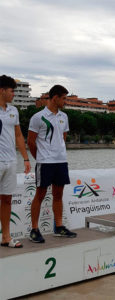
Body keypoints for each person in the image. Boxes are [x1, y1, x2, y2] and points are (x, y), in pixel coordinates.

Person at [27, 85, 76, 243]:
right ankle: (34, 229)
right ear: (55, 98)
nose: (65, 101)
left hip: (61, 161)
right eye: (64, 98)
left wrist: (57, 154)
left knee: (58, 194)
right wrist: (40, 157)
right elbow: (31, 142)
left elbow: (63, 138)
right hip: (45, 163)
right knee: (40, 195)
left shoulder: (64, 117)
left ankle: (59, 227)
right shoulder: (38, 117)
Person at [0, 75, 31, 248]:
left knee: (6, 200)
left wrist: (26, 158)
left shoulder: (14, 111)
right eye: (12, 91)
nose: (13, 94)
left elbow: (19, 135)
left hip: (11, 161)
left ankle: (6, 236)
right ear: (2, 90)